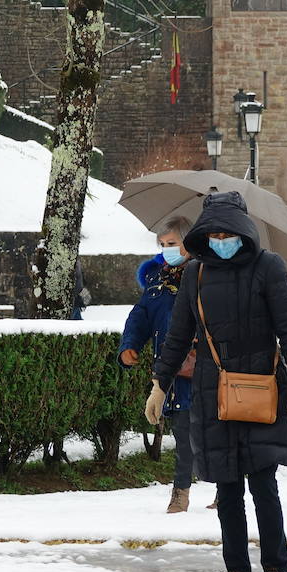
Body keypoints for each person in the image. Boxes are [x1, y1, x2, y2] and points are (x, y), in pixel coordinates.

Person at [149, 192, 287, 572]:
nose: (222, 239)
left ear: (244, 232)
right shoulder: (195, 275)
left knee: (264, 486)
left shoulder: (268, 267)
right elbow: (177, 336)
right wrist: (159, 383)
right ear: (203, 236)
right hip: (212, 394)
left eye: (228, 233)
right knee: (228, 492)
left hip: (262, 391)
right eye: (214, 233)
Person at [119, 217, 197, 513]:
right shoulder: (156, 279)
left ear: (188, 243)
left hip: (201, 369)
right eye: (162, 245)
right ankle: (181, 493)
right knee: (183, 435)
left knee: (206, 435)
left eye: (172, 244)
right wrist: (129, 346)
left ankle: (223, 488)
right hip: (169, 372)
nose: (167, 250)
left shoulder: (204, 275)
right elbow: (140, 316)